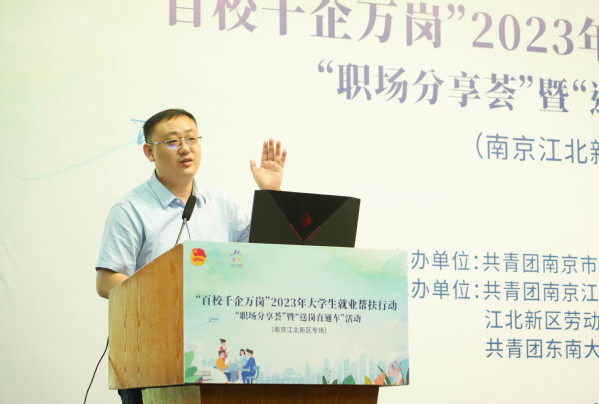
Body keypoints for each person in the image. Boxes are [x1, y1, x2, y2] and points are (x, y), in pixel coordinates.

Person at [95, 108, 287, 403]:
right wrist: (168, 296)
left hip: (219, 356)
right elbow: (108, 282)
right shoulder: (130, 210)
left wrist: (271, 195)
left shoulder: (220, 203)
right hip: (153, 358)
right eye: (172, 142)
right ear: (149, 152)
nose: (185, 148)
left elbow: (260, 256)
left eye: (191, 139)